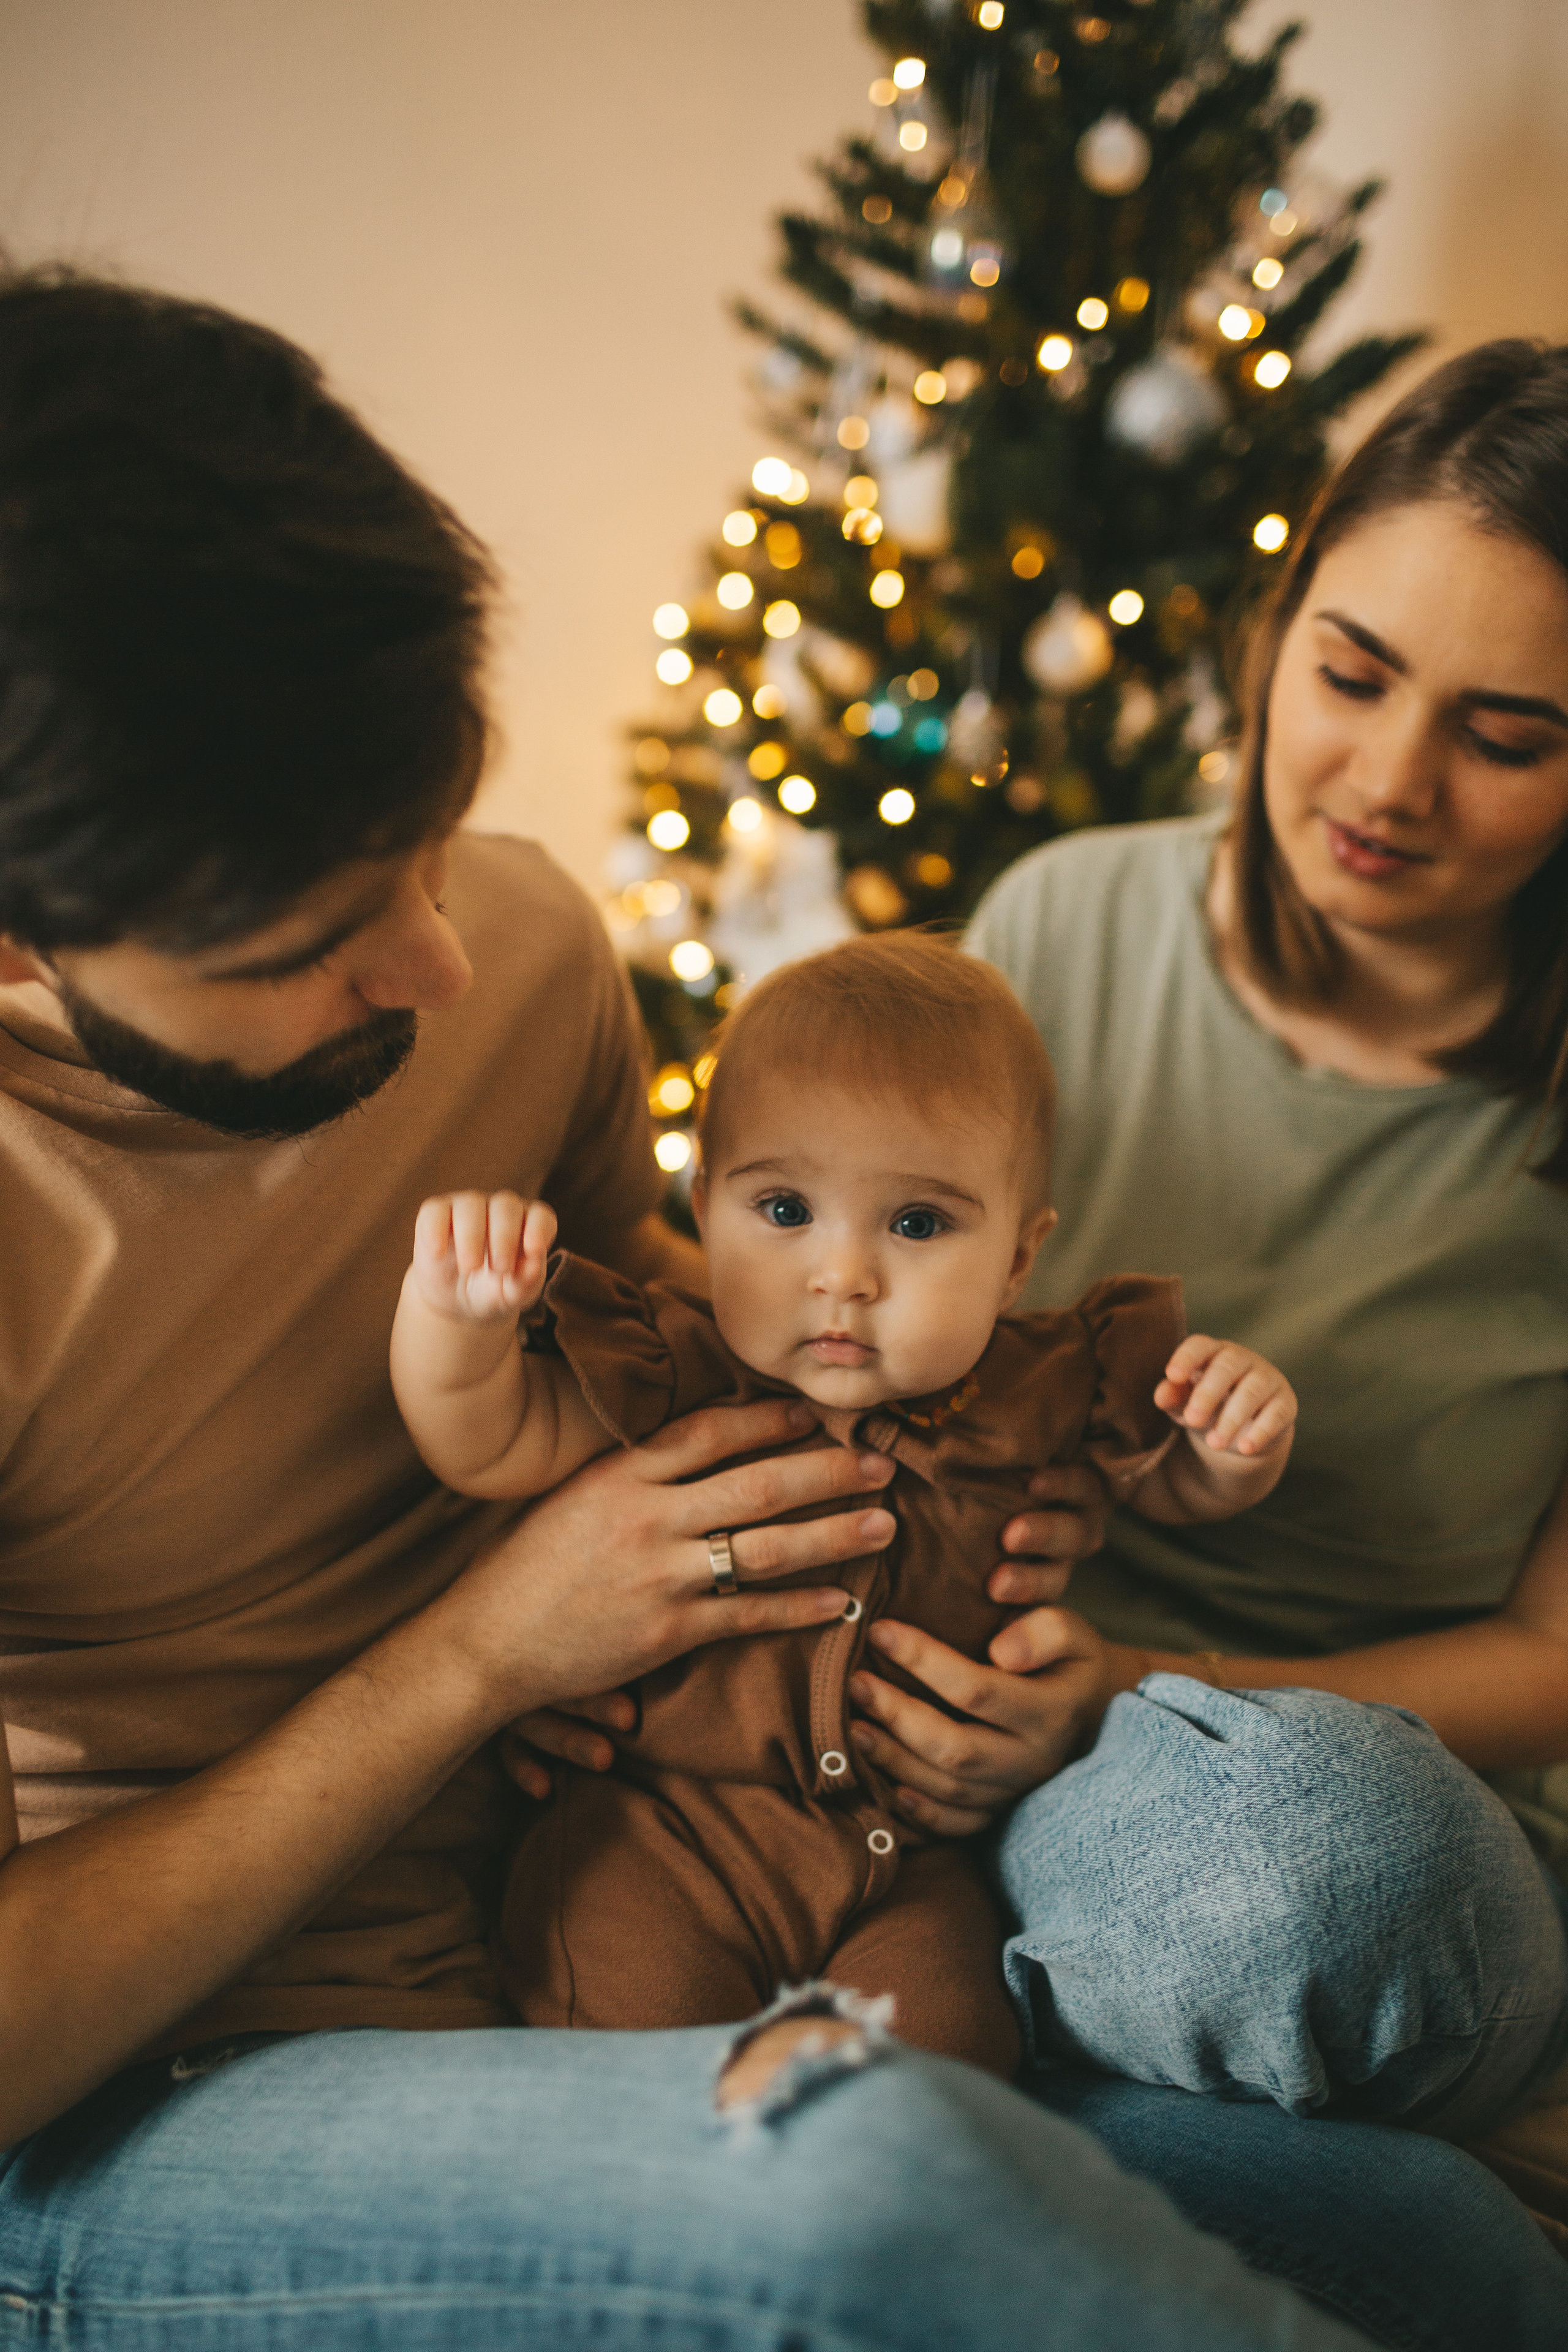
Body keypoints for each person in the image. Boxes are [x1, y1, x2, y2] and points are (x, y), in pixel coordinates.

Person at [0, 264, 1379, 2352]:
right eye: (320, 930)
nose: (446, 966)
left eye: (432, 847)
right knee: (874, 2187)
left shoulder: (530, 950)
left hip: (701, 1877)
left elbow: (705, 1373)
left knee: (1413, 2230)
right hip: (182, 2101)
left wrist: (1010, 1581)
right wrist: (481, 1655)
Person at [388, 932, 1295, 2067]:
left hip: (910, 1863)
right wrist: (455, 1321)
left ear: (1018, 1259)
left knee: (952, 2048)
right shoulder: (675, 1364)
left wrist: (1233, 1442)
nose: (844, 1275)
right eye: (783, 1211)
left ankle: (871, 2174)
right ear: (705, 1201)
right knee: (626, 2028)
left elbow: (1167, 1486)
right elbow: (491, 1441)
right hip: (662, 1831)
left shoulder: (1039, 1385)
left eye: (917, 1225)